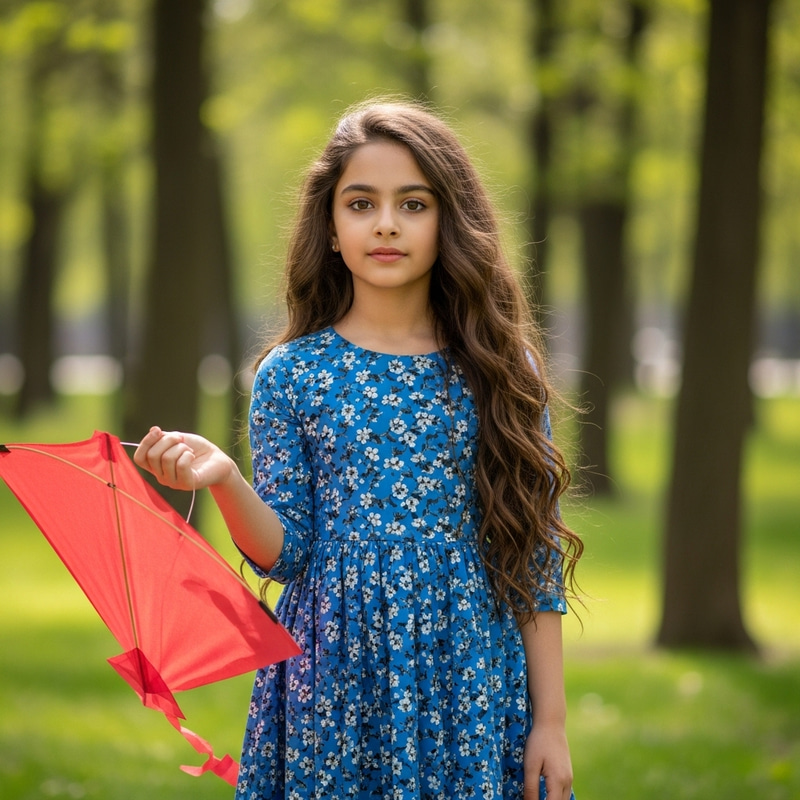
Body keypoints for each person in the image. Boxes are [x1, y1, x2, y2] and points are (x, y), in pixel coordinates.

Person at [135, 100, 582, 800]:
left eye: (413, 204)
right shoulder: (292, 374)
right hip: (332, 681)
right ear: (331, 228)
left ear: (448, 222)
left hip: (467, 673)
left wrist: (550, 721)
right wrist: (224, 480)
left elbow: (532, 554)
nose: (385, 223)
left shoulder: (501, 369)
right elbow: (288, 555)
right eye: (361, 203)